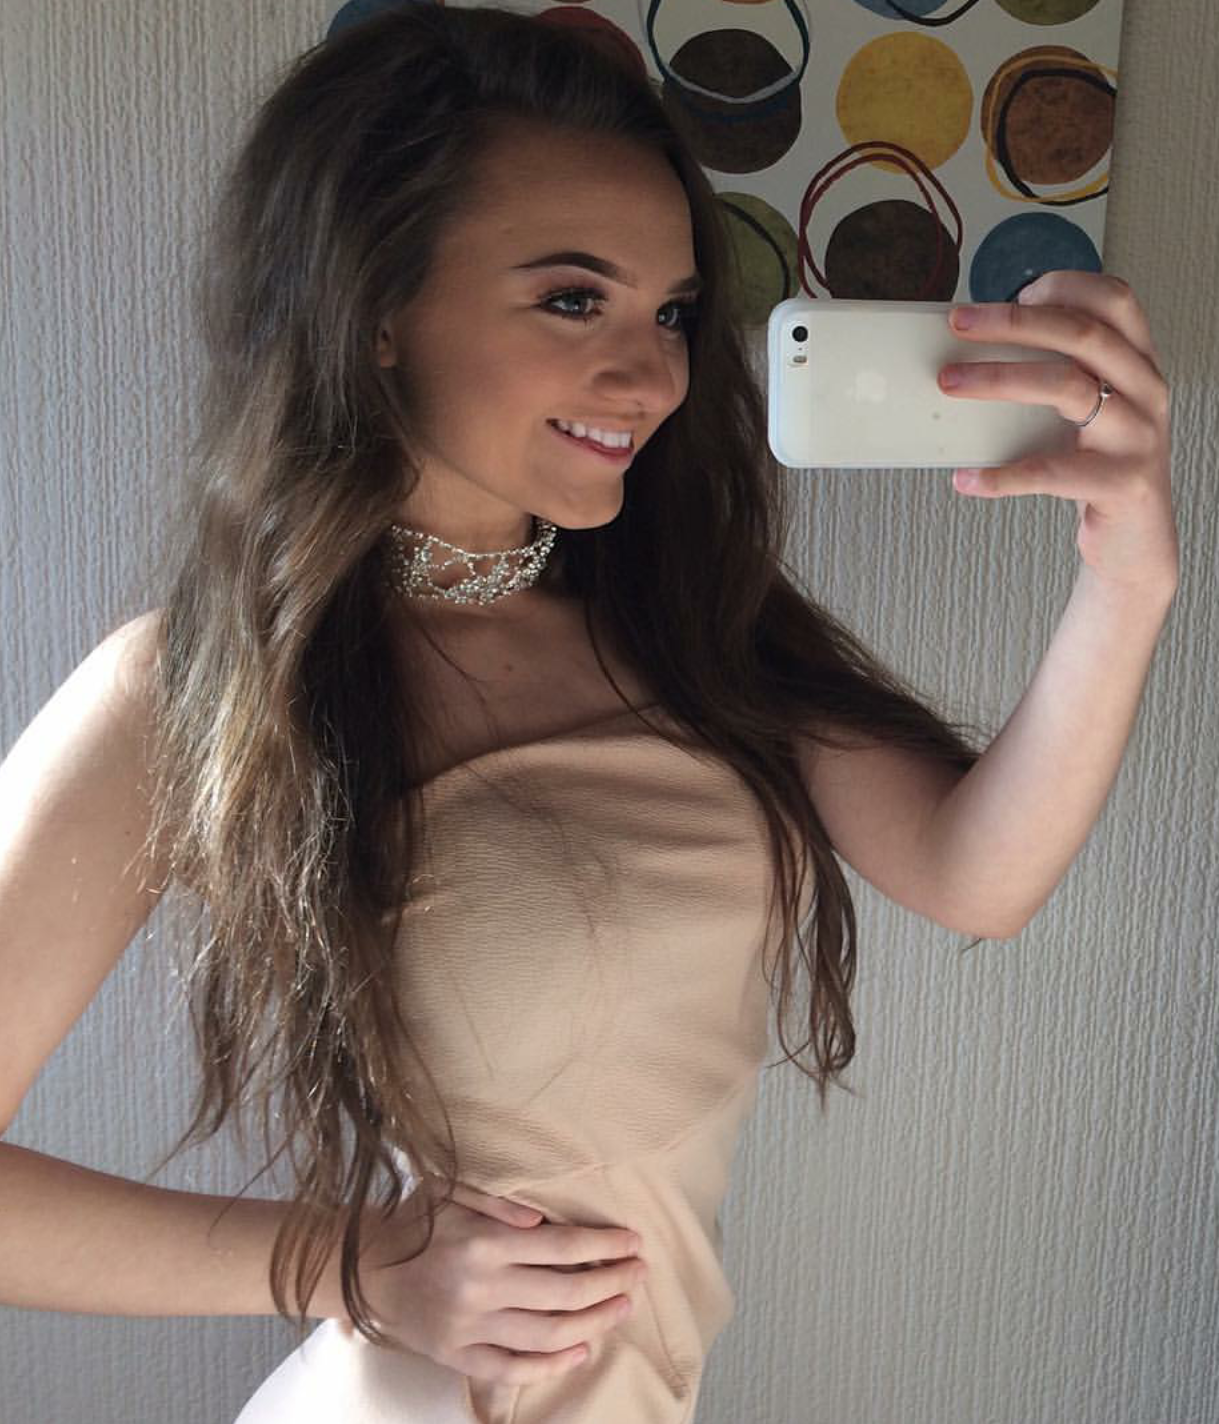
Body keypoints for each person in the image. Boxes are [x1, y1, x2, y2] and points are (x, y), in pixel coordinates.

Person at [0, 4, 1178, 1422]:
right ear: (375, 312)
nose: (654, 375)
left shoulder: (683, 623)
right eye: (572, 300)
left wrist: (1129, 579)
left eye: (671, 312)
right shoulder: (204, 685)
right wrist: (346, 1262)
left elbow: (973, 874)